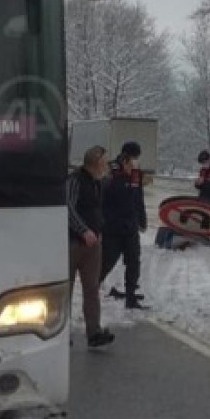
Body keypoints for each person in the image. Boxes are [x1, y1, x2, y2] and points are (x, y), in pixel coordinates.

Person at [67, 146, 114, 348]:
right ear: (95, 162)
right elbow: (67, 207)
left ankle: (93, 332)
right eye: (104, 161)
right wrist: (83, 230)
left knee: (92, 289)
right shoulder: (75, 180)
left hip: (93, 245)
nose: (106, 165)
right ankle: (61, 332)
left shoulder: (98, 182)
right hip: (72, 244)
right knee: (65, 290)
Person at [100, 142, 148, 309]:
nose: (135, 161)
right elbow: (103, 196)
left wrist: (142, 219)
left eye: (137, 158)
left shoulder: (136, 174)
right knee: (107, 261)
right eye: (133, 158)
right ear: (124, 156)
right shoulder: (110, 171)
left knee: (133, 261)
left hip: (131, 225)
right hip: (112, 227)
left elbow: (138, 198)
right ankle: (92, 290)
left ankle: (130, 296)